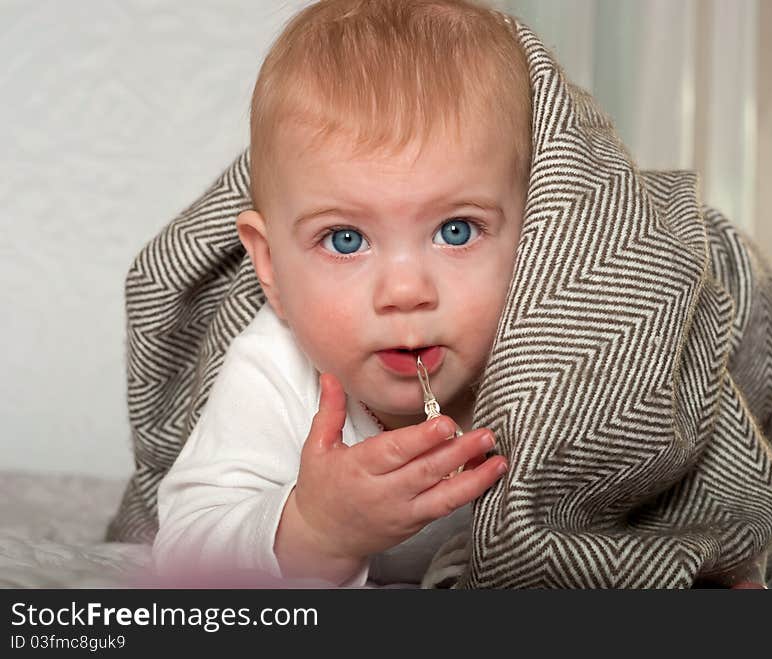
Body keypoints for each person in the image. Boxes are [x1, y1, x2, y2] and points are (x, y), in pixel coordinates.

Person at [152, 0, 529, 587]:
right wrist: (316, 530)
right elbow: (184, 548)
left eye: (456, 230)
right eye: (346, 239)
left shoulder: (554, 354)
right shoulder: (276, 368)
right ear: (271, 266)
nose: (405, 291)